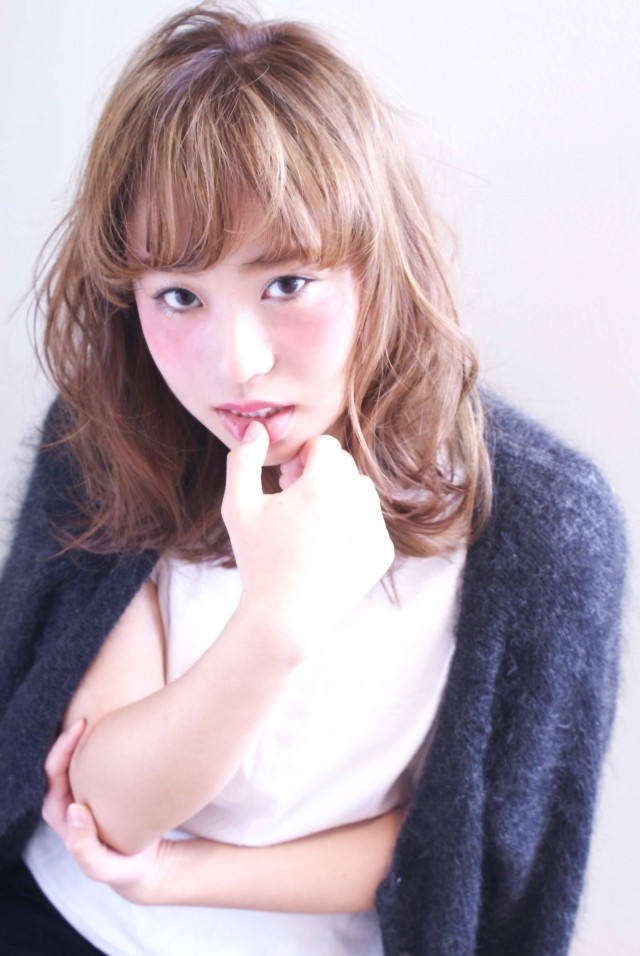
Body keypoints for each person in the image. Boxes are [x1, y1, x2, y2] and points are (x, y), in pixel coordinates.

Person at [0, 3, 627, 955]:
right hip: (70, 922)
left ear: (380, 262)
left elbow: (460, 854)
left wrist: (179, 877)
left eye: (287, 284)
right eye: (180, 295)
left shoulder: (541, 527)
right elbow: (105, 805)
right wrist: (273, 626)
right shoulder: (114, 432)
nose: (237, 363)